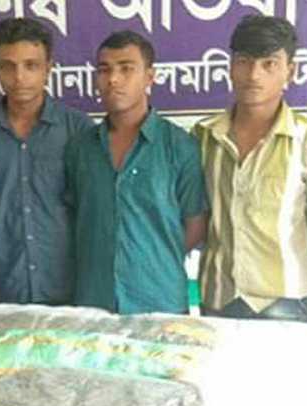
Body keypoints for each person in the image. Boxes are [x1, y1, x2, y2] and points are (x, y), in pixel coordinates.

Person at [191, 15, 307, 321]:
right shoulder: (203, 137)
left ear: (289, 71)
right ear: (230, 67)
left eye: (269, 63)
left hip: (285, 299)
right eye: (243, 61)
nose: (254, 74)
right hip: (219, 294)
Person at [65, 31, 208, 314]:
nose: (113, 79)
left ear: (149, 76)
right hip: (94, 299)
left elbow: (195, 225)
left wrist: (151, 257)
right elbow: (75, 218)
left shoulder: (180, 146)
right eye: (104, 70)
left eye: (126, 69)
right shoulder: (80, 148)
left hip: (159, 300)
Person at [0, 18, 92, 305]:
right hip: (5, 282)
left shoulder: (77, 129)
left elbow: (90, 211)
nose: (19, 77)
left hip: (67, 282)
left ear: (48, 69)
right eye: (8, 66)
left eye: (31, 65)